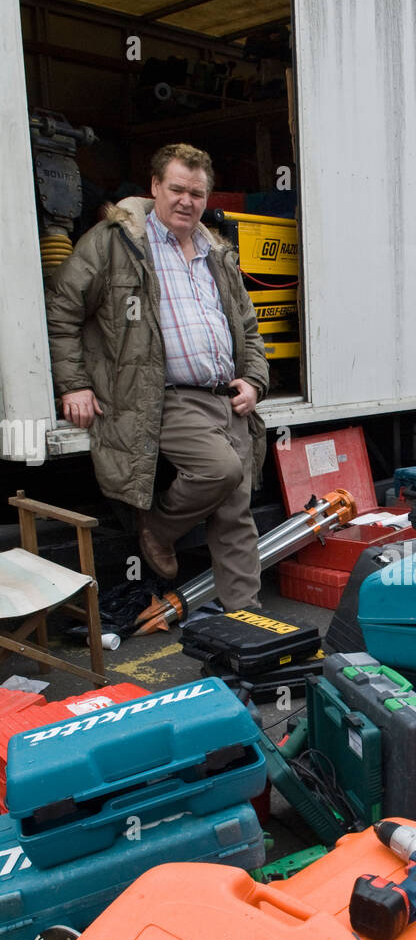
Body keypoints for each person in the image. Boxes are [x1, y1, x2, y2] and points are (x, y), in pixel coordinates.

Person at [46, 142, 269, 610]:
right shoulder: (115, 242)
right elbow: (62, 311)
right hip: (159, 396)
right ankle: (159, 528)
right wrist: (75, 384)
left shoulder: (216, 251)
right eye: (177, 189)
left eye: (197, 193)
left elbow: (248, 329)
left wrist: (253, 379)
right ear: (154, 187)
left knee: (236, 514)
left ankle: (248, 625)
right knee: (220, 471)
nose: (187, 201)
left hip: (225, 397)